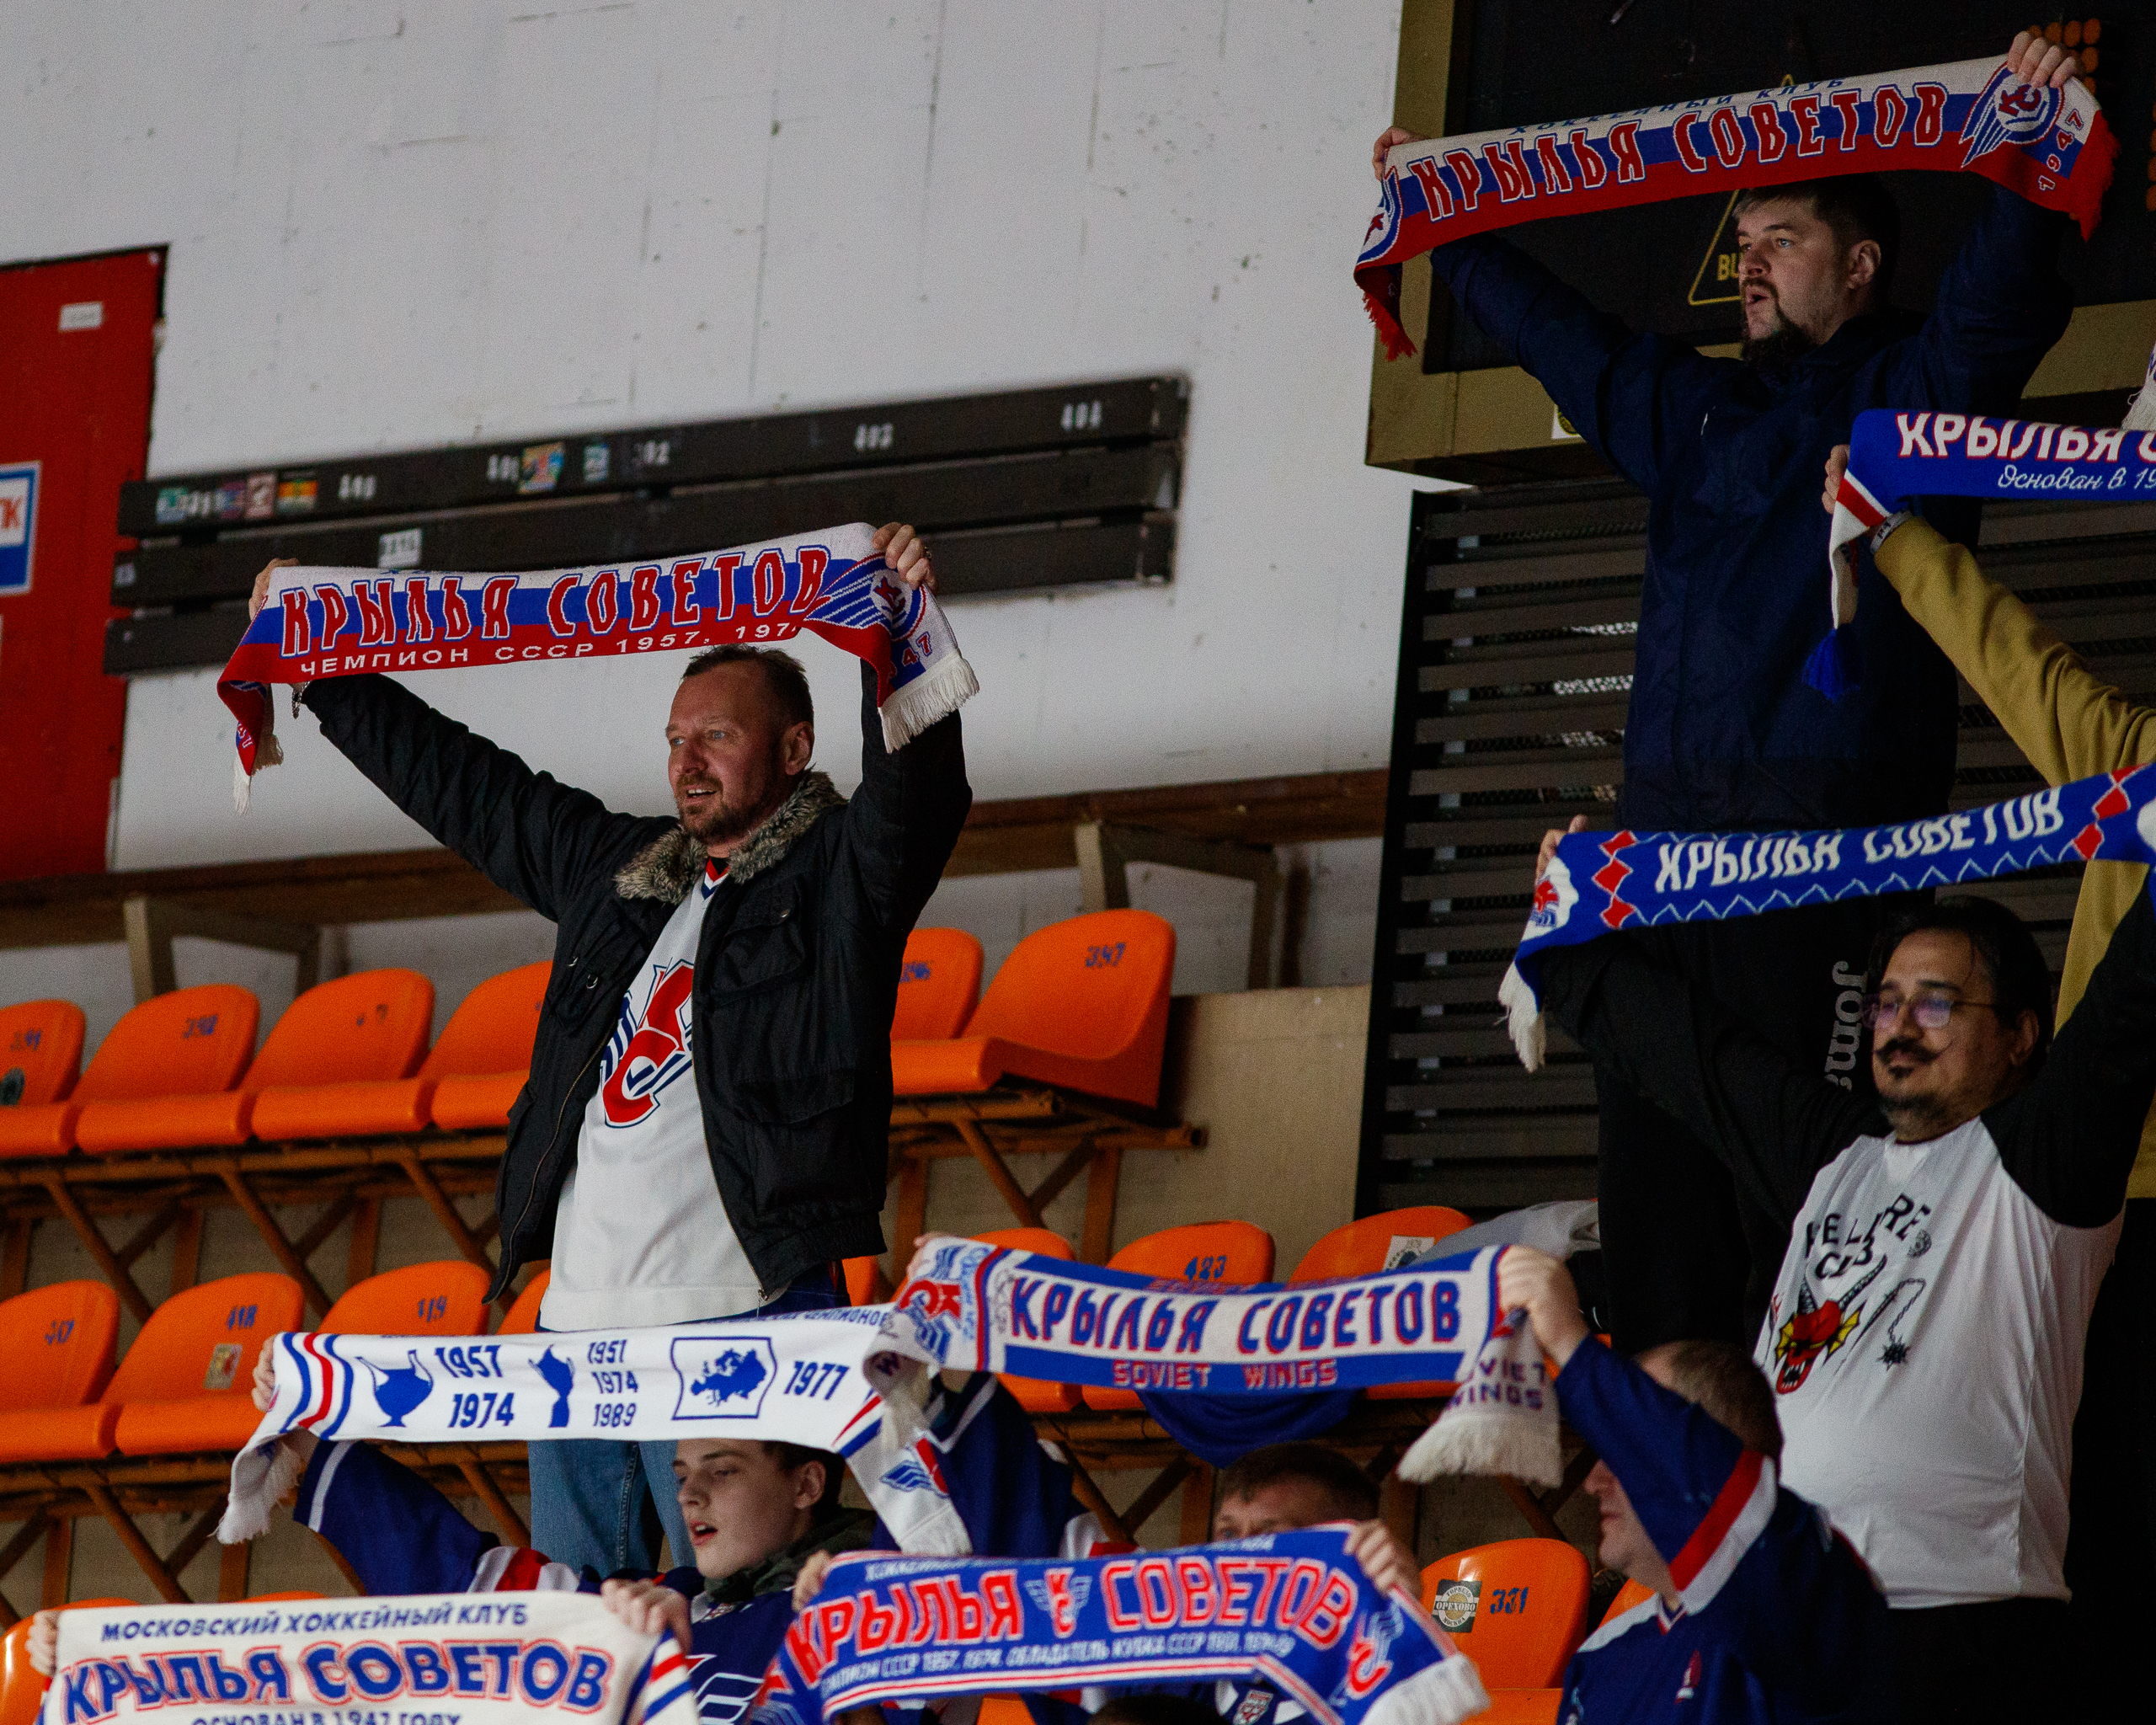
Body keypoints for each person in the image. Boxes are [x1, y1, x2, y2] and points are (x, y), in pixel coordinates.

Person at [1370, 31, 2084, 1358]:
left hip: (1823, 878)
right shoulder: (1689, 412)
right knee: (1658, 1250)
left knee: (1798, 1227)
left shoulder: (1912, 399)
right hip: (1664, 876)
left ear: (1860, 266)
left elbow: (1998, 302)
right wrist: (1446, 220)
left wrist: (2031, 148)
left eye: (1783, 239)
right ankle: (1669, 1480)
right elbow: (1562, 337)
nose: (1749, 262)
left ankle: (1804, 1481)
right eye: (1742, 240)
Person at [245, 521, 971, 1577]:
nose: (687, 761)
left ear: (792, 749)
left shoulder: (839, 879)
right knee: (584, 1635)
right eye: (676, 738)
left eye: (716, 735)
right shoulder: (620, 867)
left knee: (735, 1612)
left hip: (739, 1322)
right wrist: (319, 665)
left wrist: (892, 632)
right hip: (573, 1331)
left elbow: (917, 798)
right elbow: (467, 785)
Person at [1526, 861, 2156, 1717]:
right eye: (1885, 1004)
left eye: (1936, 1003)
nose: (1900, 1027)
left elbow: (2130, 1000)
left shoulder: (2045, 1154)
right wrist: (1563, 928)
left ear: (2020, 1035)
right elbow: (1692, 1054)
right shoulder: (1834, 1153)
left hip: (1950, 1617)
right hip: (1777, 1597)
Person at [1818, 442, 2156, 1701]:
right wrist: (1893, 531)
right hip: (2089, 1205)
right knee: (2095, 1552)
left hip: (2087, 1200)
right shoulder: (2138, 758)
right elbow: (2014, 660)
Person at [26, 1352, 873, 1725]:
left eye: (722, 1470)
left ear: (807, 1484)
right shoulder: (654, 1606)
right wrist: (115, 1662)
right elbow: (475, 1591)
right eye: (681, 1469)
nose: (687, 1492)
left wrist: (845, 1630)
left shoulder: (867, 1601)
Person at [796, 1236, 1420, 1725]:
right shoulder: (1177, 1646)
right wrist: (860, 1603)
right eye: (1229, 1535)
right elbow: (1029, 1548)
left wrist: (1411, 1611)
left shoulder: (1399, 1662)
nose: (1240, 1556)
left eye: (1269, 1536)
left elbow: (1438, 1651)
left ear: (1347, 1550)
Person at [1497, 1245, 1892, 1722]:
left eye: (1626, 1450)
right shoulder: (1598, 1662)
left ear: (1712, 1455)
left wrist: (1570, 1345)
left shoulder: (1812, 1609)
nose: (1594, 1481)